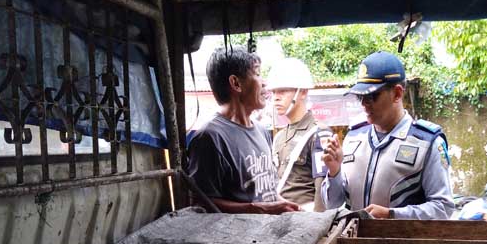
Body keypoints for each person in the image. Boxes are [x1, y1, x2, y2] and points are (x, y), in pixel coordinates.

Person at [320, 51, 454, 219]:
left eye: (371, 96)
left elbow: (443, 207)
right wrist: (334, 171)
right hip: (353, 243)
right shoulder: (354, 137)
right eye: (360, 97)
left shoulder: (427, 142)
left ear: (397, 94)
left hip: (401, 243)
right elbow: (332, 205)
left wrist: (393, 215)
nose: (364, 104)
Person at [186, 47, 300, 214]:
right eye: (257, 73)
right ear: (236, 83)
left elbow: (266, 194)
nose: (264, 82)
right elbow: (201, 204)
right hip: (237, 239)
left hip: (270, 235)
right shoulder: (209, 138)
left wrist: (287, 206)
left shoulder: (261, 131)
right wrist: (255, 209)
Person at [266, 57, 332, 212]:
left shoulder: (319, 133)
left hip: (304, 218)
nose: (276, 97)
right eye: (274, 92)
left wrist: (317, 225)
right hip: (278, 218)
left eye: (283, 91)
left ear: (302, 92)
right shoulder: (279, 137)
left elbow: (323, 186)